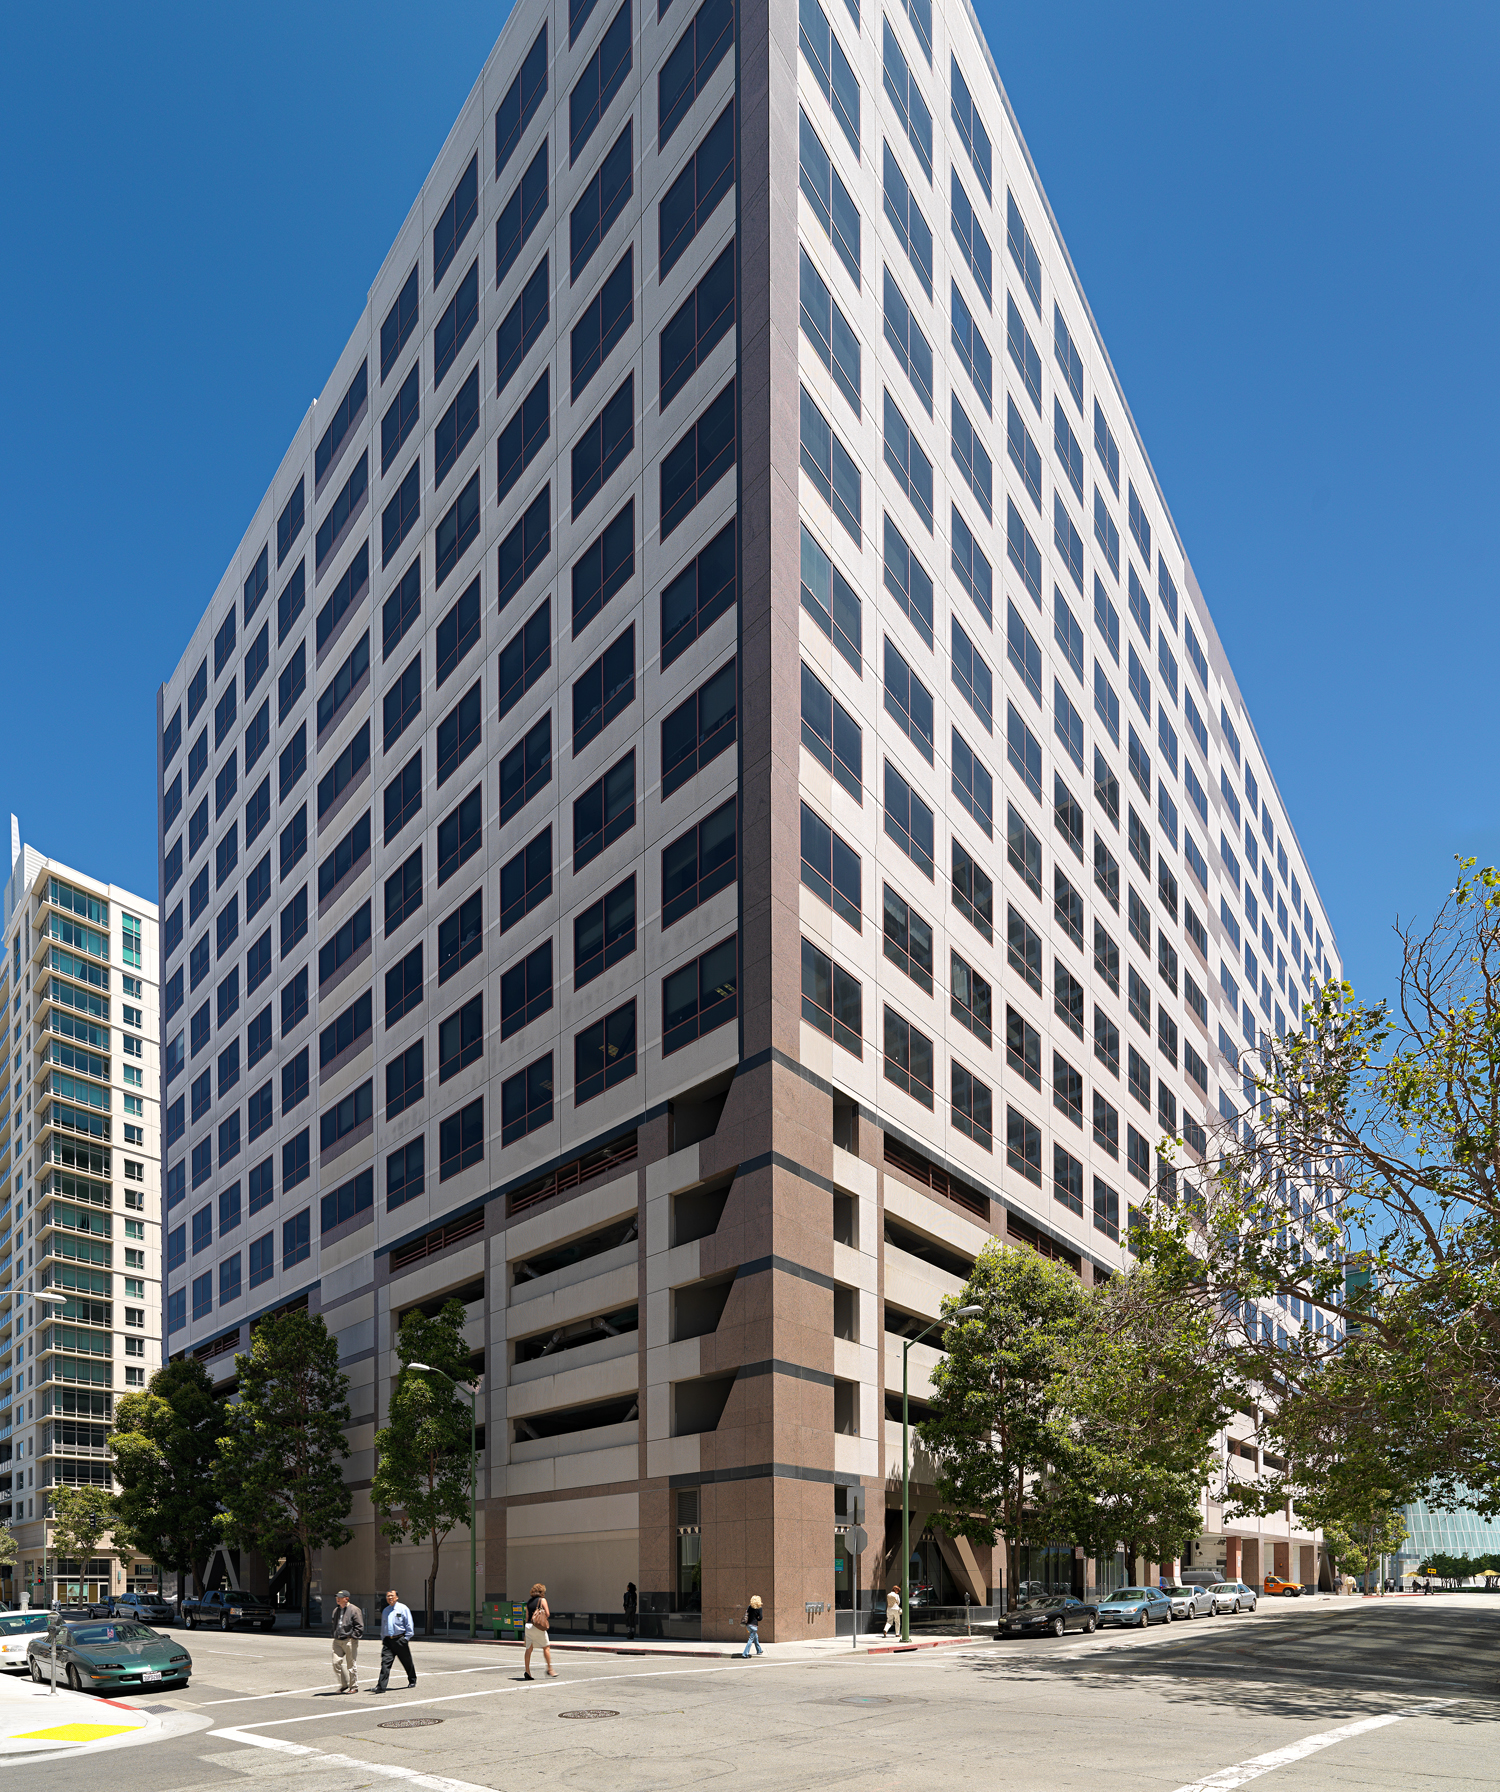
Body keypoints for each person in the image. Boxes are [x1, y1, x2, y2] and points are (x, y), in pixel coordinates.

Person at [372, 1589, 417, 1693]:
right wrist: (383, 1638)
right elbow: (384, 1626)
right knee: (385, 1664)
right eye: (388, 1596)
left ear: (397, 1597)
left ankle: (412, 1680)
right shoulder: (385, 1611)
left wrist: (406, 1638)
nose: (390, 1598)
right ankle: (381, 1687)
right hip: (388, 1641)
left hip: (400, 1639)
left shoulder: (403, 1609)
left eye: (392, 1596)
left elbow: (409, 1624)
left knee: (407, 1662)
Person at [331, 1590, 363, 1693]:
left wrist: (353, 1637)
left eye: (340, 1597)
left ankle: (354, 1687)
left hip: (349, 1640)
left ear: (347, 1598)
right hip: (338, 1640)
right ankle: (344, 1684)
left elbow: (359, 1626)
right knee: (336, 1662)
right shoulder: (336, 1610)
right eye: (337, 1597)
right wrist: (334, 1634)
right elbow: (334, 1623)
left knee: (351, 1665)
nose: (338, 1599)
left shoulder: (354, 1609)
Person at [524, 1583, 556, 1679]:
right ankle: (549, 1669)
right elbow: (547, 1613)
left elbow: (526, 1616)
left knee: (528, 1649)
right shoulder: (542, 1600)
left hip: (528, 1626)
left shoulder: (529, 1602)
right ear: (542, 1592)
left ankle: (527, 1672)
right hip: (537, 1626)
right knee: (546, 1647)